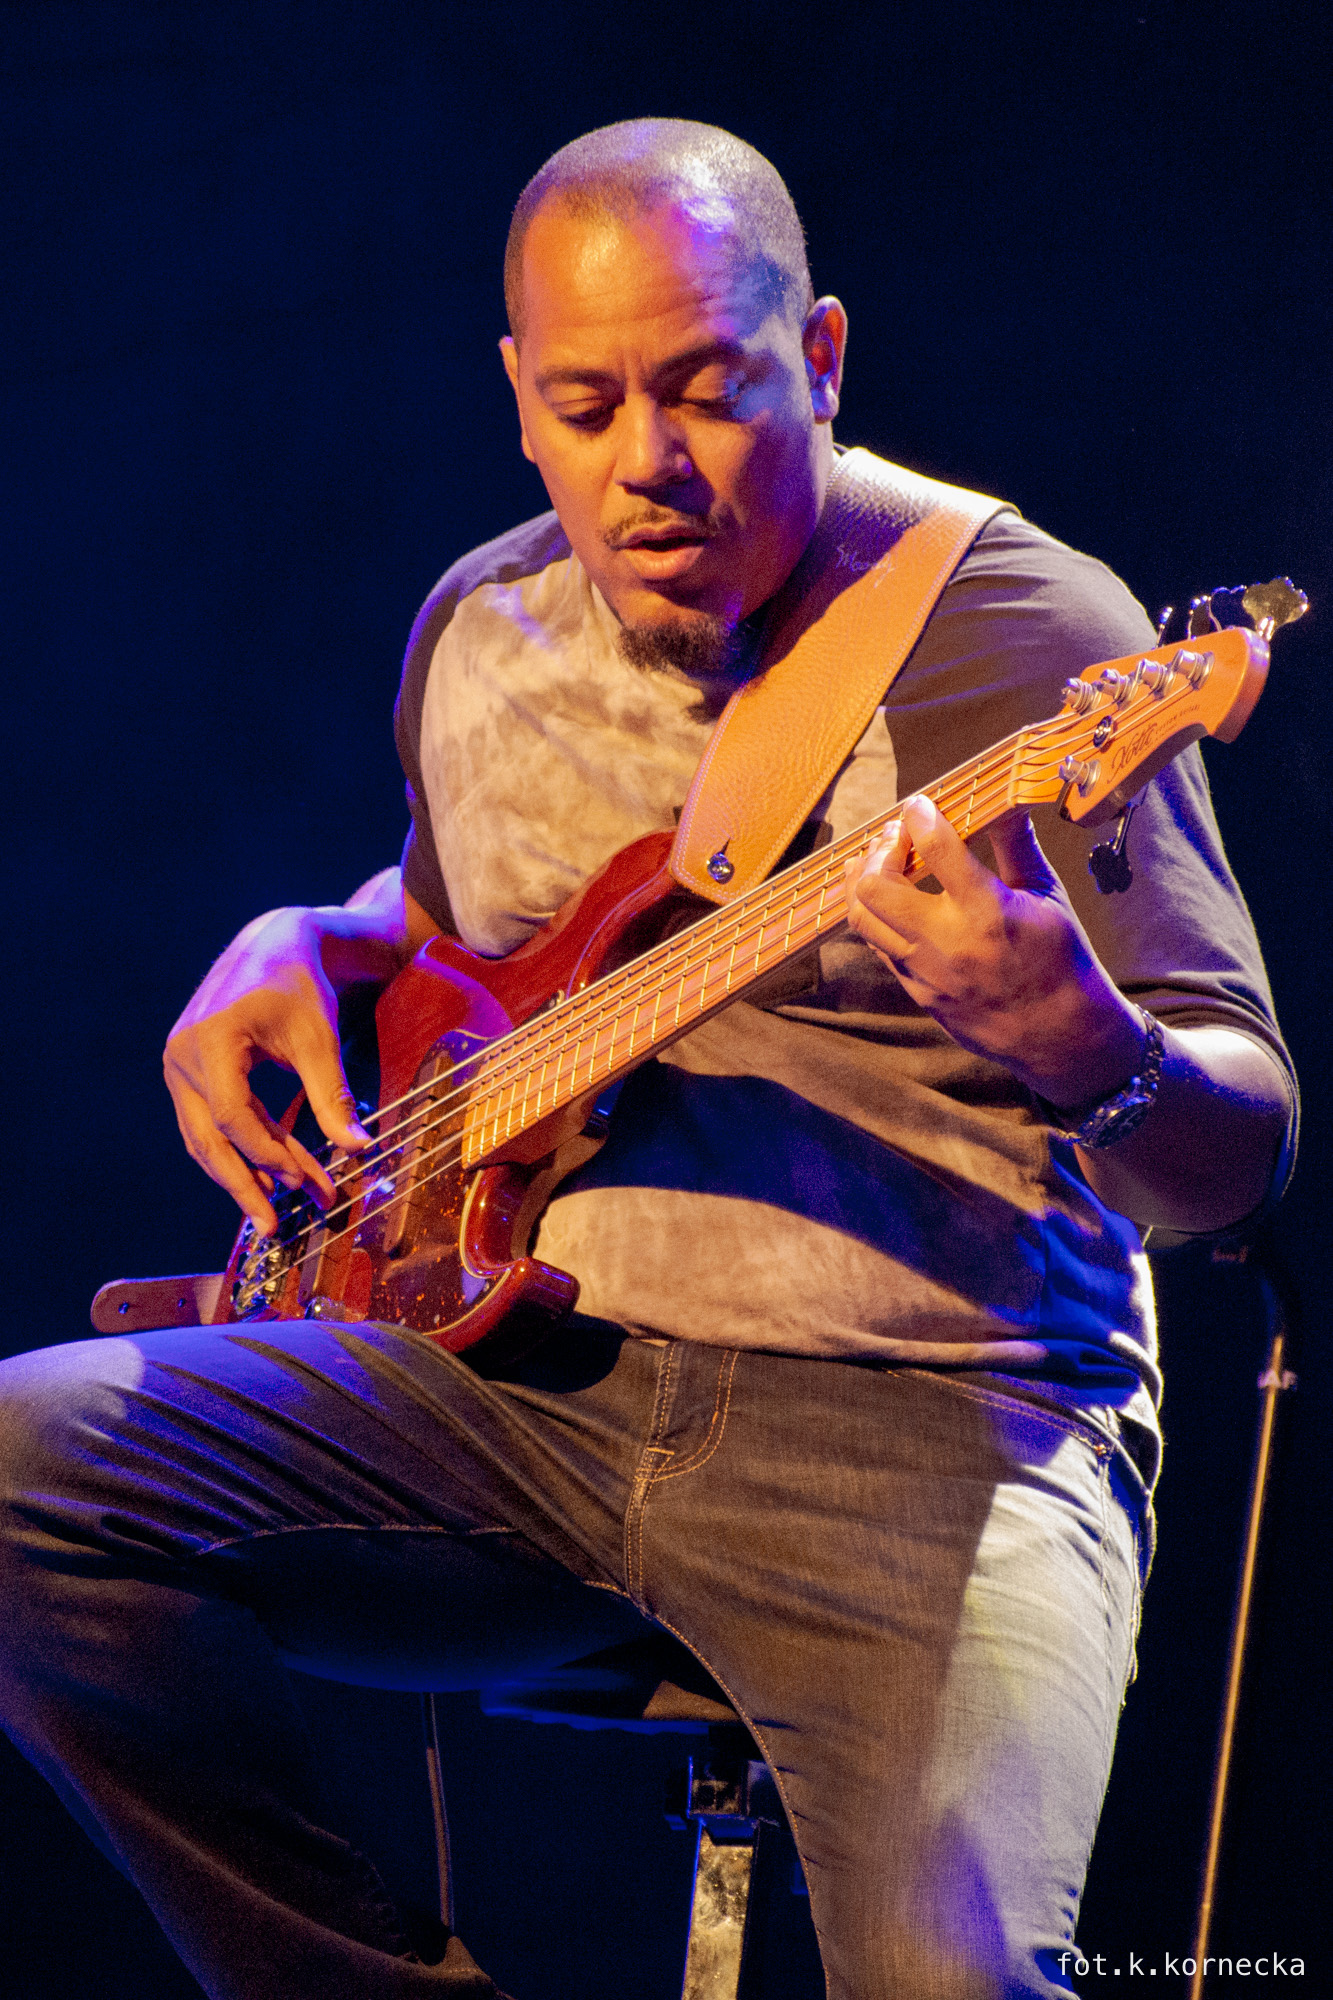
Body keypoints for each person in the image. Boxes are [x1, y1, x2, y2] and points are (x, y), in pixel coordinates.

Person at [0, 119, 1296, 2000]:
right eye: (587, 405)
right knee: (22, 1475)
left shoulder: (1028, 638)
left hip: (937, 1426)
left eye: (705, 390)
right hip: (524, 1406)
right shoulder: (478, 627)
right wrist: (313, 935)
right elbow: (468, 941)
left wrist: (1085, 1048)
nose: (647, 465)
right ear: (517, 397)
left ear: (820, 360)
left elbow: (1237, 1155)